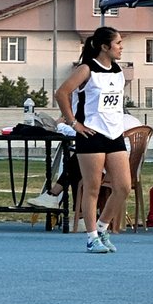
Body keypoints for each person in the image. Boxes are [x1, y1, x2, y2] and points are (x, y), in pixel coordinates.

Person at [54, 26, 128, 253]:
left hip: (114, 134)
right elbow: (62, 93)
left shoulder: (118, 70)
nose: (121, 47)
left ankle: (103, 227)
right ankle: (91, 237)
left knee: (123, 187)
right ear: (104, 47)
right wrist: (73, 122)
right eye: (118, 43)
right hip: (91, 135)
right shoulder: (87, 69)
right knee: (92, 188)